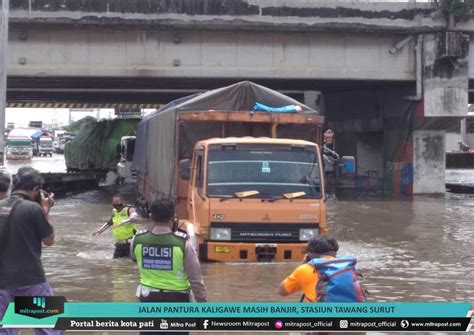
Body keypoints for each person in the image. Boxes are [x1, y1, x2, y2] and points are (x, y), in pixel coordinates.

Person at [131, 198, 207, 335]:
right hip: (177, 301)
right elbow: (196, 279)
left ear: (151, 216)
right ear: (173, 218)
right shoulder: (183, 243)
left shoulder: (138, 240)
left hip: (148, 300)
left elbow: (134, 259)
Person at [0, 167, 61, 335]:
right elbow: (49, 240)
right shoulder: (33, 210)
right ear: (34, 189)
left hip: (3, 282)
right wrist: (46, 210)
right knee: (51, 327)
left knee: (5, 329)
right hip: (31, 279)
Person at [279, 236, 339, 302]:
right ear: (335, 253)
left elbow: (282, 291)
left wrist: (302, 264)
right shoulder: (349, 267)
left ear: (309, 254)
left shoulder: (304, 269)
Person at [94, 194, 138, 258]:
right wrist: (101, 230)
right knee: (115, 264)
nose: (117, 207)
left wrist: (121, 223)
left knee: (129, 263)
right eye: (115, 205)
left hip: (129, 244)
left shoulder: (129, 209)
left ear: (122, 201)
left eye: (119, 205)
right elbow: (111, 221)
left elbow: (134, 218)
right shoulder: (114, 211)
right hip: (119, 244)